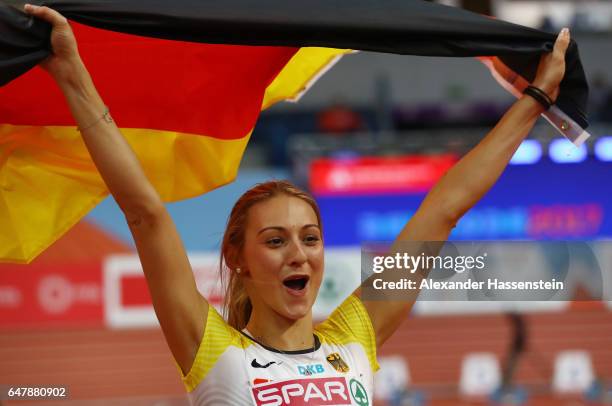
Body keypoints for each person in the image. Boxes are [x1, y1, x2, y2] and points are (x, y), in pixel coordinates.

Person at [22, 4, 571, 405]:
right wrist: (72, 76)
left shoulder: (354, 340)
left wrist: (536, 100)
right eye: (275, 240)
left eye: (310, 238)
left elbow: (442, 209)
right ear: (237, 258)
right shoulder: (214, 352)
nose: (299, 255)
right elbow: (144, 212)